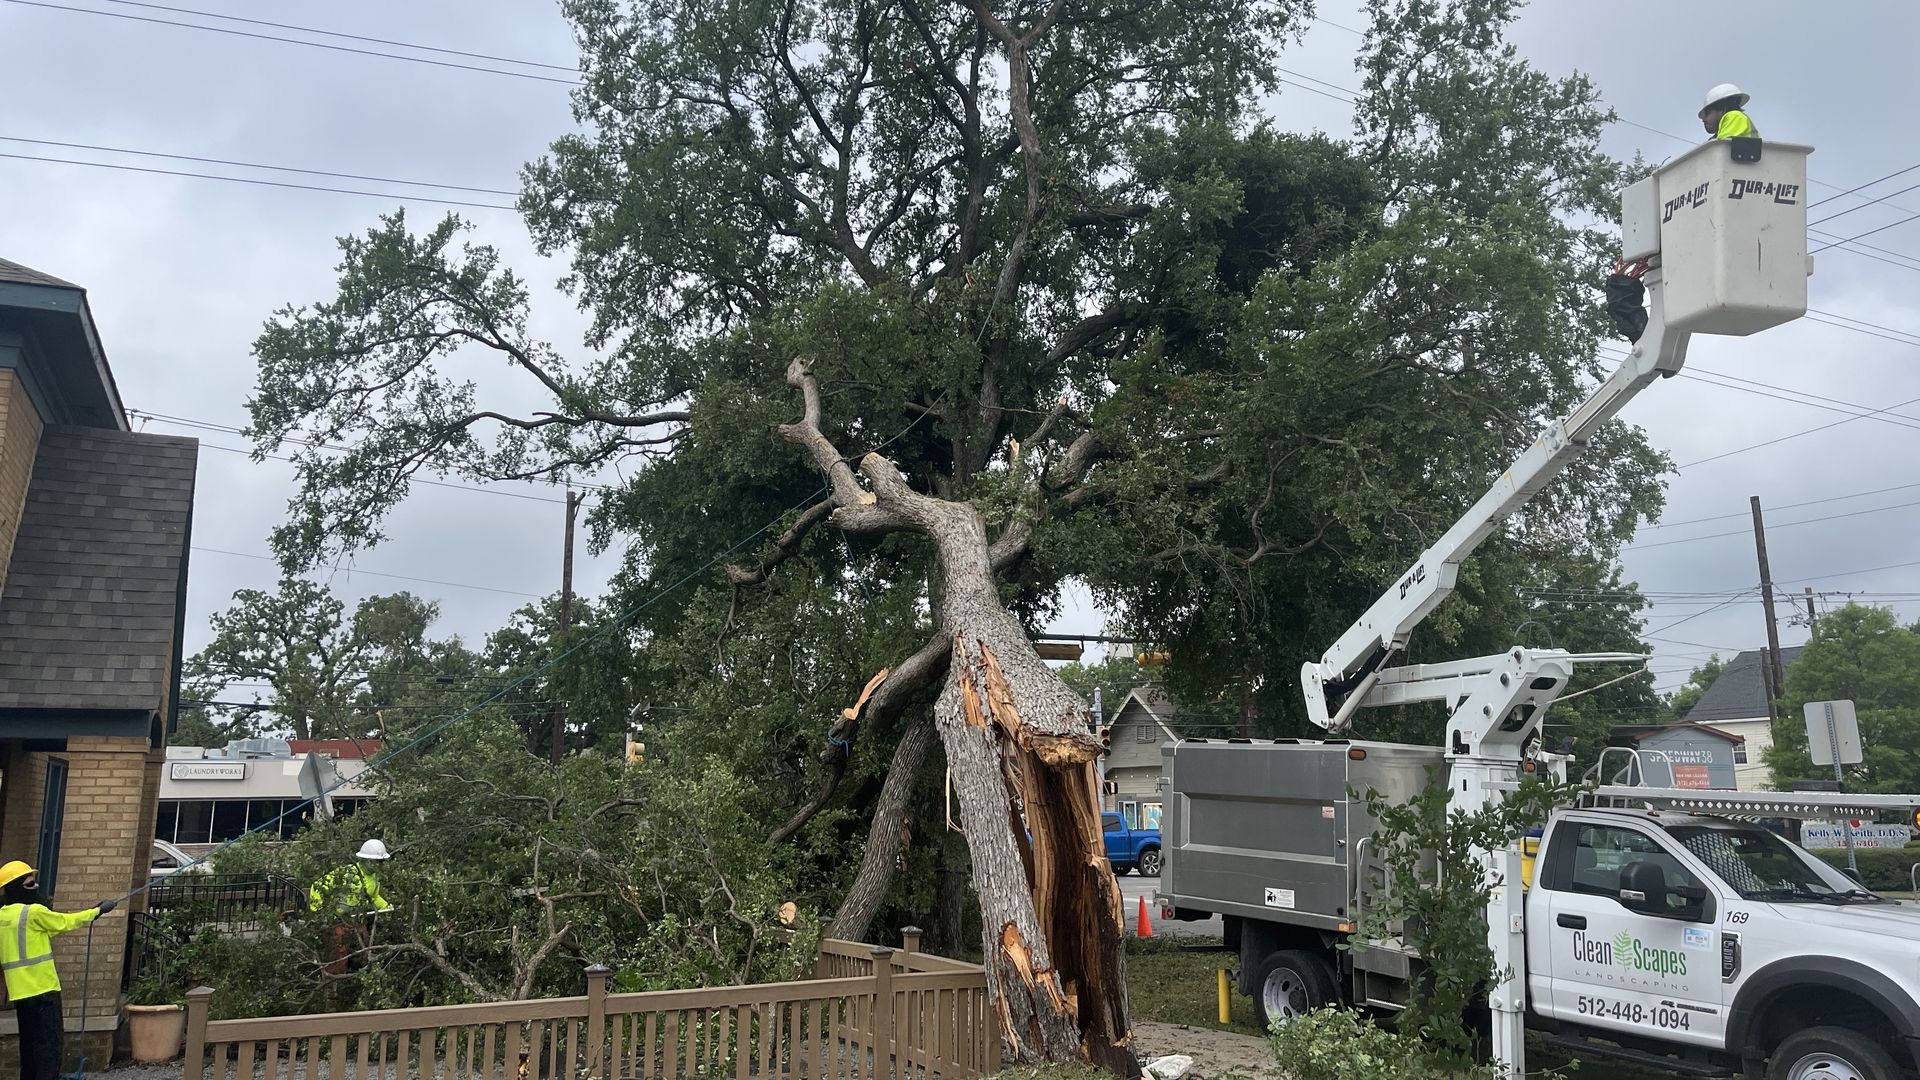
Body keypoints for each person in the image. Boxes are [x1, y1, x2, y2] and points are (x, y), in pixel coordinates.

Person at [0, 861, 115, 1080]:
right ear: (16, 886)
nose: (35, 887)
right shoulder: (33, 912)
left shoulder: (3, 916)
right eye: (30, 883)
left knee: (30, 1046)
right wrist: (97, 911)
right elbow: (65, 922)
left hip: (20, 994)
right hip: (43, 990)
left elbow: (38, 936)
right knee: (49, 1048)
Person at [308, 840, 393, 976]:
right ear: (366, 860)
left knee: (364, 949)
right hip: (338, 921)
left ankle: (355, 981)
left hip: (356, 920)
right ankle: (332, 986)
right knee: (339, 954)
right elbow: (317, 887)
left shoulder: (374, 877)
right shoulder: (348, 873)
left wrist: (387, 907)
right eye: (377, 861)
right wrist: (319, 911)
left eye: (380, 862)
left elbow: (375, 897)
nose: (379, 865)